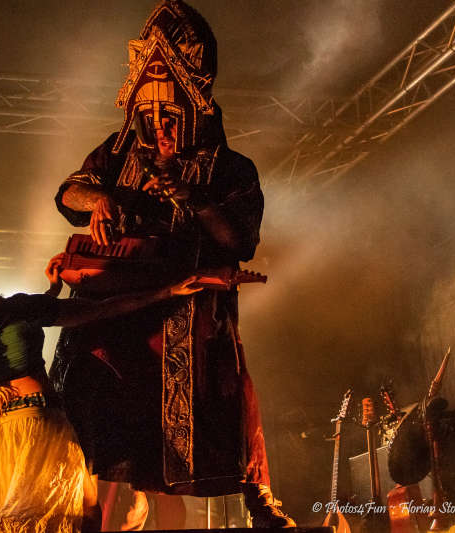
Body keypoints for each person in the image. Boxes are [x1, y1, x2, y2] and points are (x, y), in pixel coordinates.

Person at [51, 0, 293, 527]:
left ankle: (242, 501)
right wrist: (102, 201)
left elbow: (241, 239)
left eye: (170, 116)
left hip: (185, 319)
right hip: (115, 313)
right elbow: (70, 191)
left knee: (169, 456)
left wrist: (195, 198)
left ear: (194, 109)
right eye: (149, 115)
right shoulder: (117, 153)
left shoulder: (229, 168)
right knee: (90, 431)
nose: (158, 126)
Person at [0, 261, 201, 533]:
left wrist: (50, 291)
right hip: (38, 425)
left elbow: (18, 324)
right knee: (82, 511)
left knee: (15, 519)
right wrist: (166, 292)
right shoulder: (18, 307)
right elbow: (100, 310)